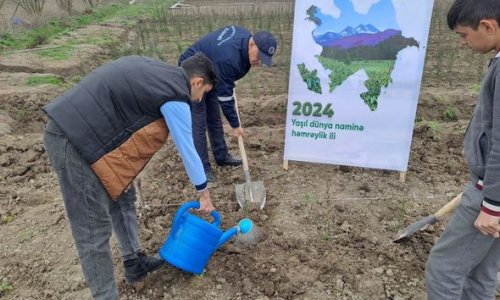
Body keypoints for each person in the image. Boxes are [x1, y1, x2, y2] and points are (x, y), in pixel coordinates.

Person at [42, 53, 217, 300]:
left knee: (123, 194)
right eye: (205, 93)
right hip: (72, 139)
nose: (200, 99)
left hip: (90, 133)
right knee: (93, 229)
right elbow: (187, 147)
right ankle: (106, 296)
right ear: (197, 82)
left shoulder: (159, 74)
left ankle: (133, 262)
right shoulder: (176, 93)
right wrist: (203, 192)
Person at [425, 1, 500, 299]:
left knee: (443, 271)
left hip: (489, 196)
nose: (462, 43)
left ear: (488, 26)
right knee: (481, 274)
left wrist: (491, 204)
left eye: (464, 35)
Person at [179, 25, 277, 182]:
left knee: (214, 116)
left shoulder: (244, 40)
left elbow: (225, 76)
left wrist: (227, 79)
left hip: (211, 68)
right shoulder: (229, 59)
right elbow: (225, 98)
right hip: (193, 71)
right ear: (252, 44)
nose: (260, 61)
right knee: (199, 119)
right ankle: (202, 167)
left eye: (264, 58)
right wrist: (235, 125)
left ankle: (221, 156)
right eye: (259, 55)